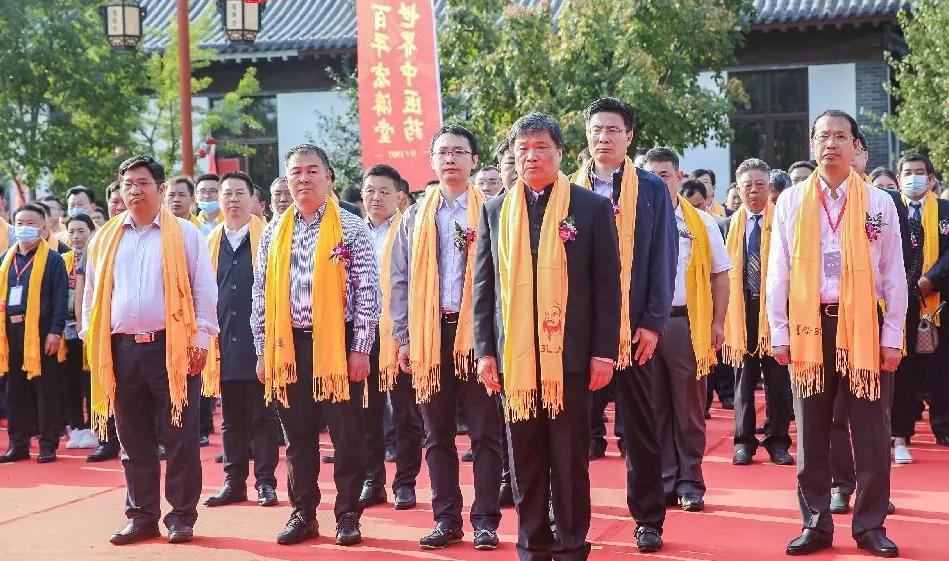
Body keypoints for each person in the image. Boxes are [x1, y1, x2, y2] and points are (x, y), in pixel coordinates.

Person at [474, 111, 621, 561]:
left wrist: (603, 352)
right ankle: (532, 545)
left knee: (570, 457)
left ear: (560, 153)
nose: (531, 156)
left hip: (571, 356)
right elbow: (484, 288)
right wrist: (485, 351)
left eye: (541, 148)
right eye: (523, 149)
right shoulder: (495, 211)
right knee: (525, 457)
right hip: (515, 358)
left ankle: (572, 545)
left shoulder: (590, 207)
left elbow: (607, 286)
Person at [767, 110, 906, 557]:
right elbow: (777, 271)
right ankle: (814, 523)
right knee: (811, 432)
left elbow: (894, 273)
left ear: (855, 146)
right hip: (810, 327)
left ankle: (870, 525)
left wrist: (893, 334)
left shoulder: (879, 203)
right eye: (823, 136)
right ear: (812, 145)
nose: (831, 144)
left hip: (864, 326)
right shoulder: (790, 201)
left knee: (871, 432)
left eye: (840, 136)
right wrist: (779, 330)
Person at [81, 155, 219, 545]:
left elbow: (204, 289)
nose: (135, 191)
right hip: (122, 352)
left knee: (180, 438)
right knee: (133, 440)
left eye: (142, 183)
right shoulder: (105, 238)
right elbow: (92, 295)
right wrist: (93, 337)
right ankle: (141, 516)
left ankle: (181, 517)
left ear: (160, 188)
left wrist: (200, 339)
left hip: (171, 350)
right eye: (128, 184)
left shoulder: (186, 234)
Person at [250, 143, 378, 547]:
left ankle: (347, 514)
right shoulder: (273, 231)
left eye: (311, 171)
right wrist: (262, 349)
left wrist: (361, 348)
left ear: (328, 177)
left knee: (347, 436)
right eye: (296, 172)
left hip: (338, 345)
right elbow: (260, 295)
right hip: (288, 347)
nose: (303, 179)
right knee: (298, 437)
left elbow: (368, 292)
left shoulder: (351, 227)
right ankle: (303, 513)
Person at [570, 98, 676, 553]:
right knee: (573, 430)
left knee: (639, 430)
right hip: (580, 330)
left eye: (613, 130)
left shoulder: (650, 189)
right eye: (596, 129)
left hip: (634, 330)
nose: (603, 137)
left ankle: (648, 519)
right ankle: (568, 517)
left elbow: (664, 258)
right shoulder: (566, 189)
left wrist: (652, 322)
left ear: (629, 137)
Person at [391, 124, 503, 550]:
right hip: (429, 333)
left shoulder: (493, 210)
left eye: (459, 151)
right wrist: (403, 337)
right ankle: (446, 519)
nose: (451, 159)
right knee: (436, 434)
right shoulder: (415, 216)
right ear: (432, 161)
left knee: (485, 433)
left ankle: (486, 521)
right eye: (443, 152)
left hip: (479, 336)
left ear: (474, 160)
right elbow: (399, 281)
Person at [643, 147, 731, 513]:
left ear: (679, 178)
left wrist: (717, 322)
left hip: (686, 323)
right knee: (654, 407)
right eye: (649, 176)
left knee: (690, 409)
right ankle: (665, 479)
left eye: (663, 175)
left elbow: (720, 275)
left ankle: (690, 481)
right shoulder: (633, 220)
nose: (656, 182)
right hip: (645, 327)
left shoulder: (701, 222)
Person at [201, 171, 281, 509]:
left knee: (263, 417)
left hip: (261, 341)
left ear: (253, 200)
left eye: (239, 193)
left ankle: (266, 482)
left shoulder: (270, 237)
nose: (233, 199)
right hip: (223, 341)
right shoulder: (209, 242)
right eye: (227, 194)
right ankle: (234, 483)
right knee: (231, 419)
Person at [719, 159, 794, 467]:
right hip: (740, 309)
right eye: (747, 185)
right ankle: (743, 442)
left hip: (776, 308)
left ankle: (778, 441)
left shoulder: (784, 222)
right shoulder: (726, 227)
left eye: (760, 184)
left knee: (778, 379)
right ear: (738, 189)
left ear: (770, 187)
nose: (754, 190)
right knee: (743, 379)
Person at [359, 163, 424, 511]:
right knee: (365, 414)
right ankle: (373, 480)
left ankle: (405, 482)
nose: (376, 197)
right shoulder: (351, 233)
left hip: (400, 334)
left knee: (405, 415)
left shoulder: (411, 230)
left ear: (399, 196)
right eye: (370, 191)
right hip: (361, 334)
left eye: (384, 191)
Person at [0, 203, 69, 464]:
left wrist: (55, 331)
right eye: (20, 223)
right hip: (10, 331)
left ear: (43, 228)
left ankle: (48, 444)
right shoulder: (6, 259)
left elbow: (60, 299)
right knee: (14, 390)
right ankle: (18, 444)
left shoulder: (53, 260)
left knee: (45, 390)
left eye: (30, 224)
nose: (24, 228)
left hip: (41, 332)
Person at [891, 154, 949, 454]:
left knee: (942, 369)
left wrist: (930, 279)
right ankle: (900, 431)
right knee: (903, 369)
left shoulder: (945, 210)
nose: (913, 178)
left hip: (939, 303)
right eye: (907, 172)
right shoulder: (889, 208)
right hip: (899, 303)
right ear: (898, 178)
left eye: (919, 172)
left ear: (930, 178)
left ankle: (944, 426)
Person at [84, 181, 127, 464]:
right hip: (104, 330)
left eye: (122, 201)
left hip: (134, 331)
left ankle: (140, 441)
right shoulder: (98, 240)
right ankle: (107, 439)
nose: (118, 206)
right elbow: (88, 288)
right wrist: (87, 326)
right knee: (105, 385)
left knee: (133, 395)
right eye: (114, 202)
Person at [62, 214, 99, 450]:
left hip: (90, 325)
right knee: (70, 379)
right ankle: (76, 426)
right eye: (72, 231)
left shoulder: (97, 256)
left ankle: (93, 426)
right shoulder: (61, 260)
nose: (76, 236)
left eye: (81, 231)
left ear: (91, 231)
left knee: (90, 379)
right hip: (66, 328)